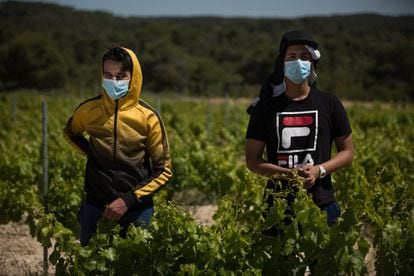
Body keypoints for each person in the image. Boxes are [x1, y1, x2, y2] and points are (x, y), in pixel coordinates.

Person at [245, 30, 353, 231]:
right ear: (282, 63)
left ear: (312, 63)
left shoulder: (330, 103)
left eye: (304, 57)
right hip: (277, 205)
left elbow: (347, 152)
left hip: (322, 203)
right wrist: (288, 174)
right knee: (279, 262)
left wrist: (319, 170)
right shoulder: (265, 108)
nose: (298, 62)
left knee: (324, 263)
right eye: (291, 56)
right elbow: (252, 160)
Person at [64, 46, 172, 246]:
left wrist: (128, 200)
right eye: (108, 75)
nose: (114, 81)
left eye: (121, 76)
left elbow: (163, 171)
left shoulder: (148, 117)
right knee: (90, 265)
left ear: (133, 78)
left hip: (137, 209)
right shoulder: (88, 110)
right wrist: (92, 153)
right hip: (95, 206)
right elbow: (70, 132)